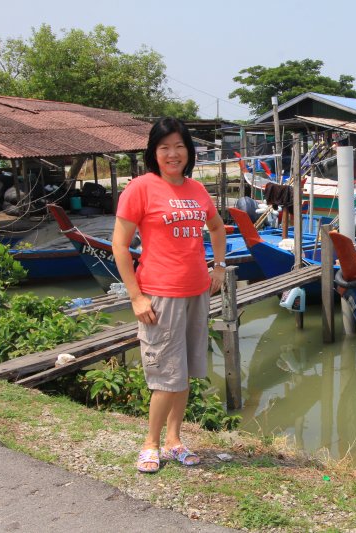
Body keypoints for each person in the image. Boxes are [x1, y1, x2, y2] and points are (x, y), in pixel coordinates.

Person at [112, 117, 227, 474]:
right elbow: (119, 245)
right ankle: (150, 444)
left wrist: (219, 266)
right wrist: (136, 297)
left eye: (179, 146)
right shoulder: (141, 188)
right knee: (165, 376)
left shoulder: (196, 189)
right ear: (154, 152)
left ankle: (175, 441)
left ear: (189, 151)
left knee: (186, 372)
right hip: (160, 295)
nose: (172, 154)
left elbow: (217, 226)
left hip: (197, 291)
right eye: (164, 147)